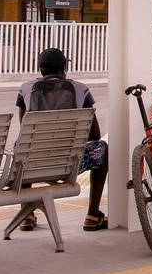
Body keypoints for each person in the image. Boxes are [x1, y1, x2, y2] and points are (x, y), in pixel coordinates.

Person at [14, 47, 109, 231]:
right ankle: (92, 214)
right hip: (70, 164)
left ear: (40, 68)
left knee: (25, 147)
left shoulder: (25, 89)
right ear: (63, 67)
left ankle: (26, 214)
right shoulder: (80, 89)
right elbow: (95, 134)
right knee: (104, 149)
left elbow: (24, 129)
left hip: (34, 164)